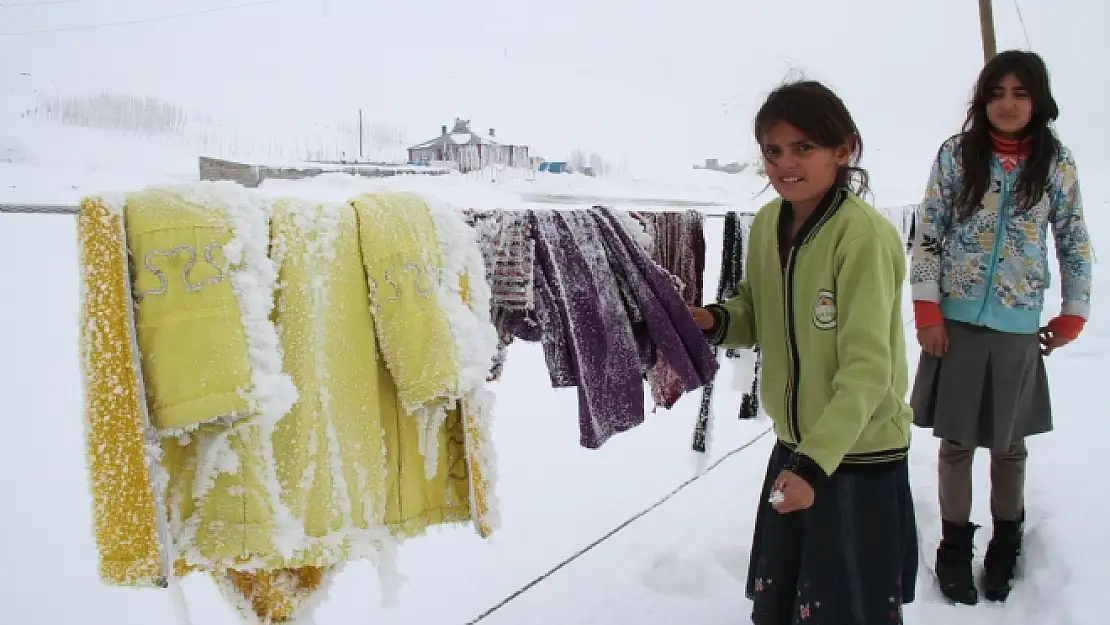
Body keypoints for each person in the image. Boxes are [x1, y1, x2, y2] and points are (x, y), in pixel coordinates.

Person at [690, 80, 917, 624]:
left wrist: (814, 465)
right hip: (797, 448)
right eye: (773, 150)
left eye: (803, 148)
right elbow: (756, 311)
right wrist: (712, 320)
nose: (785, 164)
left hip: (856, 457)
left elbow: (866, 371)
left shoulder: (862, 238)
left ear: (844, 149)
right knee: (790, 604)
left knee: (847, 608)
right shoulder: (769, 222)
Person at [909, 50, 1092, 605]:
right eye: (996, 93)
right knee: (957, 443)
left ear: (1038, 100)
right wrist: (927, 311)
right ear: (982, 99)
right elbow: (929, 233)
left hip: (1018, 326)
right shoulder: (956, 156)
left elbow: (1073, 238)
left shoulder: (1055, 164)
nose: (1007, 104)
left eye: (1020, 93)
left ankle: (1006, 542)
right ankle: (954, 546)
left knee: (1010, 447)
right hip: (956, 323)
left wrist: (1073, 312)